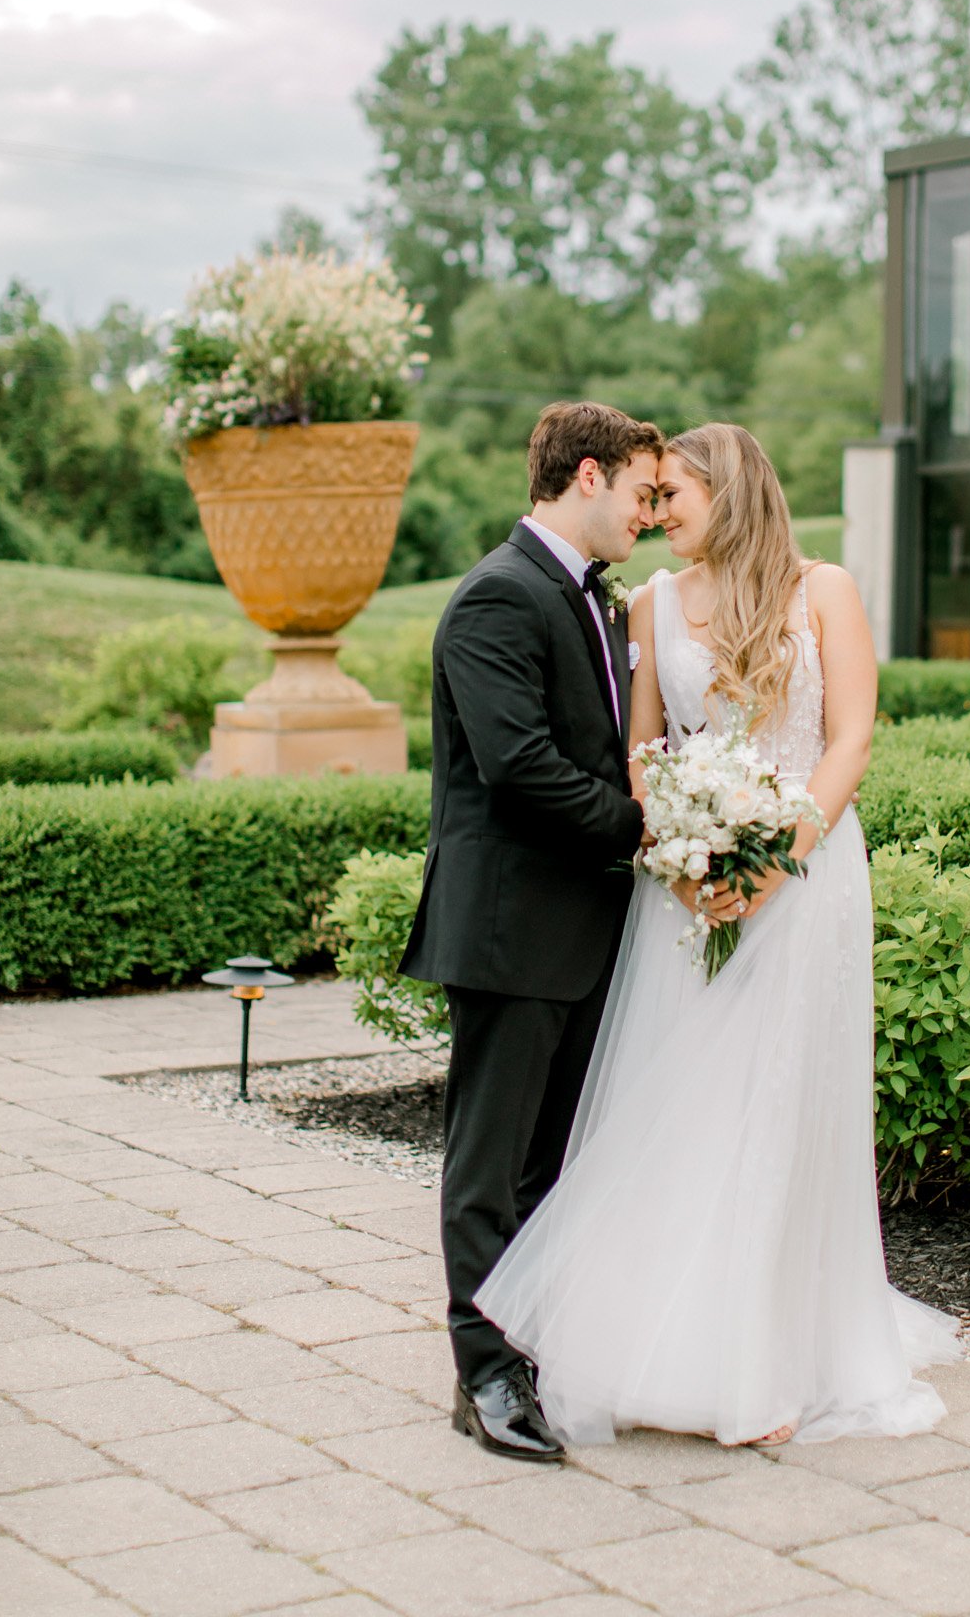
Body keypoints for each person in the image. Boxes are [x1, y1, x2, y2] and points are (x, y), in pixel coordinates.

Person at [478, 422, 958, 1447]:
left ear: (726, 488)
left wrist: (784, 853)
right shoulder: (650, 599)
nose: (655, 512)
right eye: (647, 497)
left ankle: (775, 1354)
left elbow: (852, 736)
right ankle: (668, 1343)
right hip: (687, 889)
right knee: (685, 1098)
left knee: (782, 1105)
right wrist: (686, 856)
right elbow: (643, 746)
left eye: (673, 492)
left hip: (812, 872)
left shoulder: (823, 588)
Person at [399, 400, 663, 1463]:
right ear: (588, 477)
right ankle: (485, 1376)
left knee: (550, 1166)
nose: (648, 512)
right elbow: (520, 770)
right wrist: (648, 826)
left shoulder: (597, 604)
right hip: (511, 928)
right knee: (490, 1166)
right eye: (642, 492)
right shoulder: (495, 598)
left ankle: (535, 1350)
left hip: (586, 929)